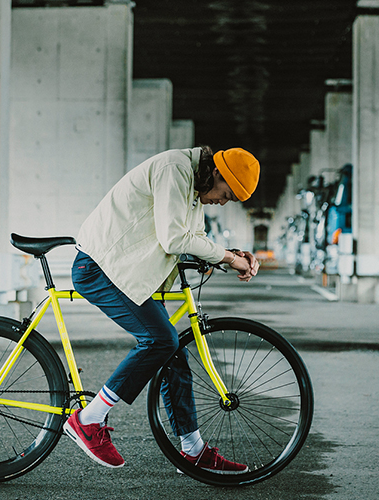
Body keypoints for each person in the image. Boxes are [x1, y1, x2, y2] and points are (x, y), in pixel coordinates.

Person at [66, 146, 261, 473]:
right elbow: (174, 238)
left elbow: (194, 236)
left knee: (173, 351)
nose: (221, 202)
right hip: (99, 268)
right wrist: (228, 258)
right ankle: (88, 419)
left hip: (128, 273)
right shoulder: (175, 169)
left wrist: (229, 252)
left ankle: (193, 448)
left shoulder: (195, 186)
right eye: (225, 195)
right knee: (160, 340)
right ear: (217, 173)